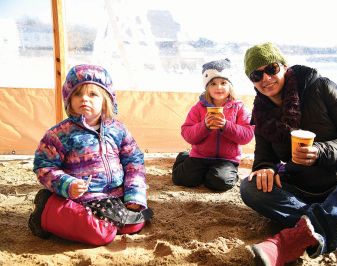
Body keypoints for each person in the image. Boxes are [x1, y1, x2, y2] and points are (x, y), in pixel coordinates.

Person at [239, 42, 337, 266]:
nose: (266, 78)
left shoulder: (321, 87)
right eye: (256, 75)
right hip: (302, 187)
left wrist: (321, 150)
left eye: (271, 69)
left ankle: (289, 242)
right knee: (250, 187)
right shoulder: (260, 113)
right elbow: (264, 158)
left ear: (285, 67)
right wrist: (264, 169)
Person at [28, 64, 153, 246]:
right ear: (69, 99)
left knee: (136, 223)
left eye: (92, 94)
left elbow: (134, 162)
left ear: (106, 100)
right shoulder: (60, 134)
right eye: (78, 94)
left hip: (114, 197)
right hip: (81, 199)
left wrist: (134, 195)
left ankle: (78, 218)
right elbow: (44, 166)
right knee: (100, 234)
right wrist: (67, 184)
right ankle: (47, 209)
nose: (84, 99)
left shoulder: (118, 130)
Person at [172, 58, 254, 191]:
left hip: (226, 159)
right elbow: (187, 133)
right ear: (207, 87)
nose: (219, 87)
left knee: (220, 182)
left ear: (230, 86)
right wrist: (204, 126)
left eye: (223, 82)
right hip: (200, 156)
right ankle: (184, 157)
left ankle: (218, 173)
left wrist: (226, 126)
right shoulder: (198, 108)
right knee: (182, 179)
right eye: (213, 83)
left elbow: (247, 135)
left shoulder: (239, 108)